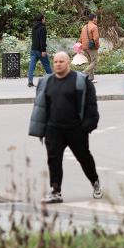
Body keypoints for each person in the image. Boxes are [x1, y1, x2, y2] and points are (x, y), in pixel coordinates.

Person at [29, 51, 101, 204]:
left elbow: (91, 105)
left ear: (68, 62)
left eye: (61, 61)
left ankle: (95, 182)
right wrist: (42, 129)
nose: (58, 64)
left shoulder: (80, 80)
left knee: (84, 157)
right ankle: (56, 191)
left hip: (76, 128)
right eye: (55, 61)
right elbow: (41, 106)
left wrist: (88, 125)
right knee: (53, 159)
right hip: (53, 129)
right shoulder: (46, 81)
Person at [28, 13, 52, 88]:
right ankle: (53, 81)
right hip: (40, 50)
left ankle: (30, 81)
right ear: (42, 19)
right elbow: (42, 40)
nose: (45, 20)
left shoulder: (34, 27)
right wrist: (43, 50)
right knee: (47, 65)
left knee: (31, 66)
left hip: (33, 49)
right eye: (44, 18)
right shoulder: (42, 28)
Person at [79, 13, 100, 82]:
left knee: (90, 62)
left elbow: (81, 38)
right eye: (96, 18)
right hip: (91, 47)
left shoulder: (84, 27)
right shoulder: (94, 27)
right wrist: (97, 46)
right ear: (94, 19)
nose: (97, 19)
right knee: (94, 62)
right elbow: (96, 38)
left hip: (84, 47)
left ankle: (91, 78)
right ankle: (83, 72)